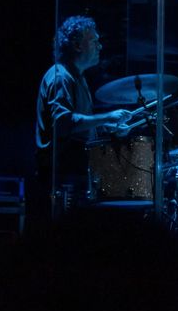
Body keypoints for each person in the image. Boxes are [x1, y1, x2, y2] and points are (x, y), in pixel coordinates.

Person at [34, 15, 135, 217]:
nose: (100, 46)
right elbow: (63, 124)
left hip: (74, 169)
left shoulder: (76, 76)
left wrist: (108, 128)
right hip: (63, 174)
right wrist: (107, 117)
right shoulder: (61, 76)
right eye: (94, 41)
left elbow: (79, 127)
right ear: (78, 45)